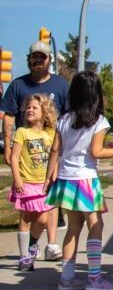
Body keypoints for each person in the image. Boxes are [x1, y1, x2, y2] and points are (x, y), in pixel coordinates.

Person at [45, 71, 113, 290]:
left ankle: (67, 279)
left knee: (73, 229)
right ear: (96, 95)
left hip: (66, 179)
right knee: (96, 226)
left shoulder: (64, 119)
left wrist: (49, 176)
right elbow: (96, 152)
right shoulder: (99, 121)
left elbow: (55, 149)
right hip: (85, 180)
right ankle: (94, 278)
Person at [1, 40, 67, 261]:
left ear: (50, 60)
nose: (38, 60)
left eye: (43, 57)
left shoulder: (60, 85)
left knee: (52, 202)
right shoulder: (18, 85)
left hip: (54, 150)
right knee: (28, 213)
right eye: (34, 57)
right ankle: (28, 253)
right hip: (27, 157)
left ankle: (52, 244)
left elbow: (68, 117)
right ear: (29, 58)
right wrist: (8, 146)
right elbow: (9, 116)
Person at [8, 93, 58, 271]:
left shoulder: (51, 133)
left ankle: (32, 247)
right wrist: (18, 179)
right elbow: (14, 158)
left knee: (43, 219)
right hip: (26, 182)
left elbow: (55, 158)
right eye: (28, 107)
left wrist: (53, 178)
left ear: (45, 112)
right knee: (26, 218)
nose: (30, 110)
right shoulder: (22, 132)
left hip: (43, 184)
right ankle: (24, 258)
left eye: (34, 107)